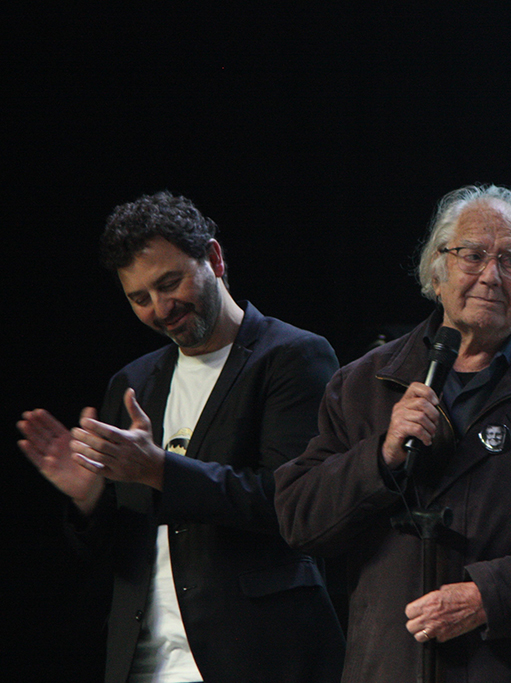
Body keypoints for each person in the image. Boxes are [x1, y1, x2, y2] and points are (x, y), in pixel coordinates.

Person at [274, 184, 511, 682]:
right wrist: (380, 456)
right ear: (436, 271)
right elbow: (300, 521)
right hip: (389, 665)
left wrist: (491, 595)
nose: (491, 275)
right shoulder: (362, 383)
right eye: (472, 255)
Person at [16, 192, 345, 683]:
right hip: (145, 662)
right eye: (139, 298)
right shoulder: (132, 383)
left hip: (258, 657)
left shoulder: (293, 357)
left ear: (214, 258)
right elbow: (113, 553)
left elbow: (293, 505)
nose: (160, 309)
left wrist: (158, 470)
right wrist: (90, 501)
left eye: (170, 284)